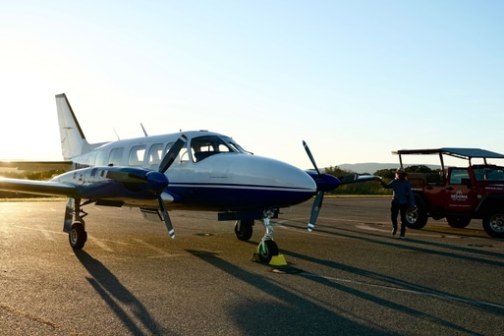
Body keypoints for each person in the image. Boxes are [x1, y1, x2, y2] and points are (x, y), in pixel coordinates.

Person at [379, 168, 415, 238]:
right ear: (397, 174)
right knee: (393, 217)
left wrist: (412, 204)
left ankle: (402, 233)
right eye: (398, 174)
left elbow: (410, 194)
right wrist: (381, 182)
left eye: (401, 174)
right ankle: (395, 227)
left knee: (403, 219)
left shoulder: (406, 183)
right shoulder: (394, 182)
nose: (399, 175)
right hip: (395, 202)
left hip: (404, 203)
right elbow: (387, 186)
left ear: (403, 175)